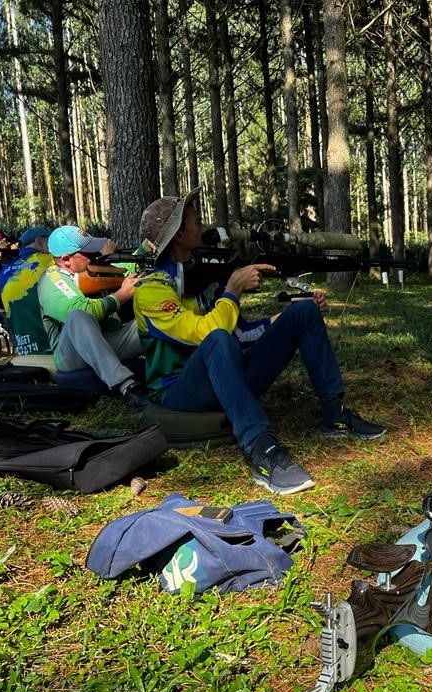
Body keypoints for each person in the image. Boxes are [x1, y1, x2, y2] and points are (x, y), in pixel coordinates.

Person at [134, 189, 385, 495]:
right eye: (196, 223)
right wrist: (232, 290)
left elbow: (241, 334)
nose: (204, 227)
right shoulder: (151, 290)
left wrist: (282, 318)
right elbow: (208, 334)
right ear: (178, 236)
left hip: (227, 378)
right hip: (177, 392)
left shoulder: (199, 276)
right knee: (218, 339)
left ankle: (335, 413)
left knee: (303, 312)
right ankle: (262, 448)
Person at [37, 226, 145, 402]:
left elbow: (128, 267)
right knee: (78, 316)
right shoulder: (51, 280)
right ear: (66, 260)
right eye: (89, 253)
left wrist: (147, 247)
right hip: (72, 356)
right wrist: (122, 295)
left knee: (151, 317)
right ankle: (127, 386)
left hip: (110, 342)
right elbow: (85, 310)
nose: (96, 255)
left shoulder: (90, 269)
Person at [0, 226, 54, 356]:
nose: (53, 248)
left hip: (22, 349)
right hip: (51, 347)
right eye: (50, 243)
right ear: (39, 242)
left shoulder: (5, 271)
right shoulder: (49, 260)